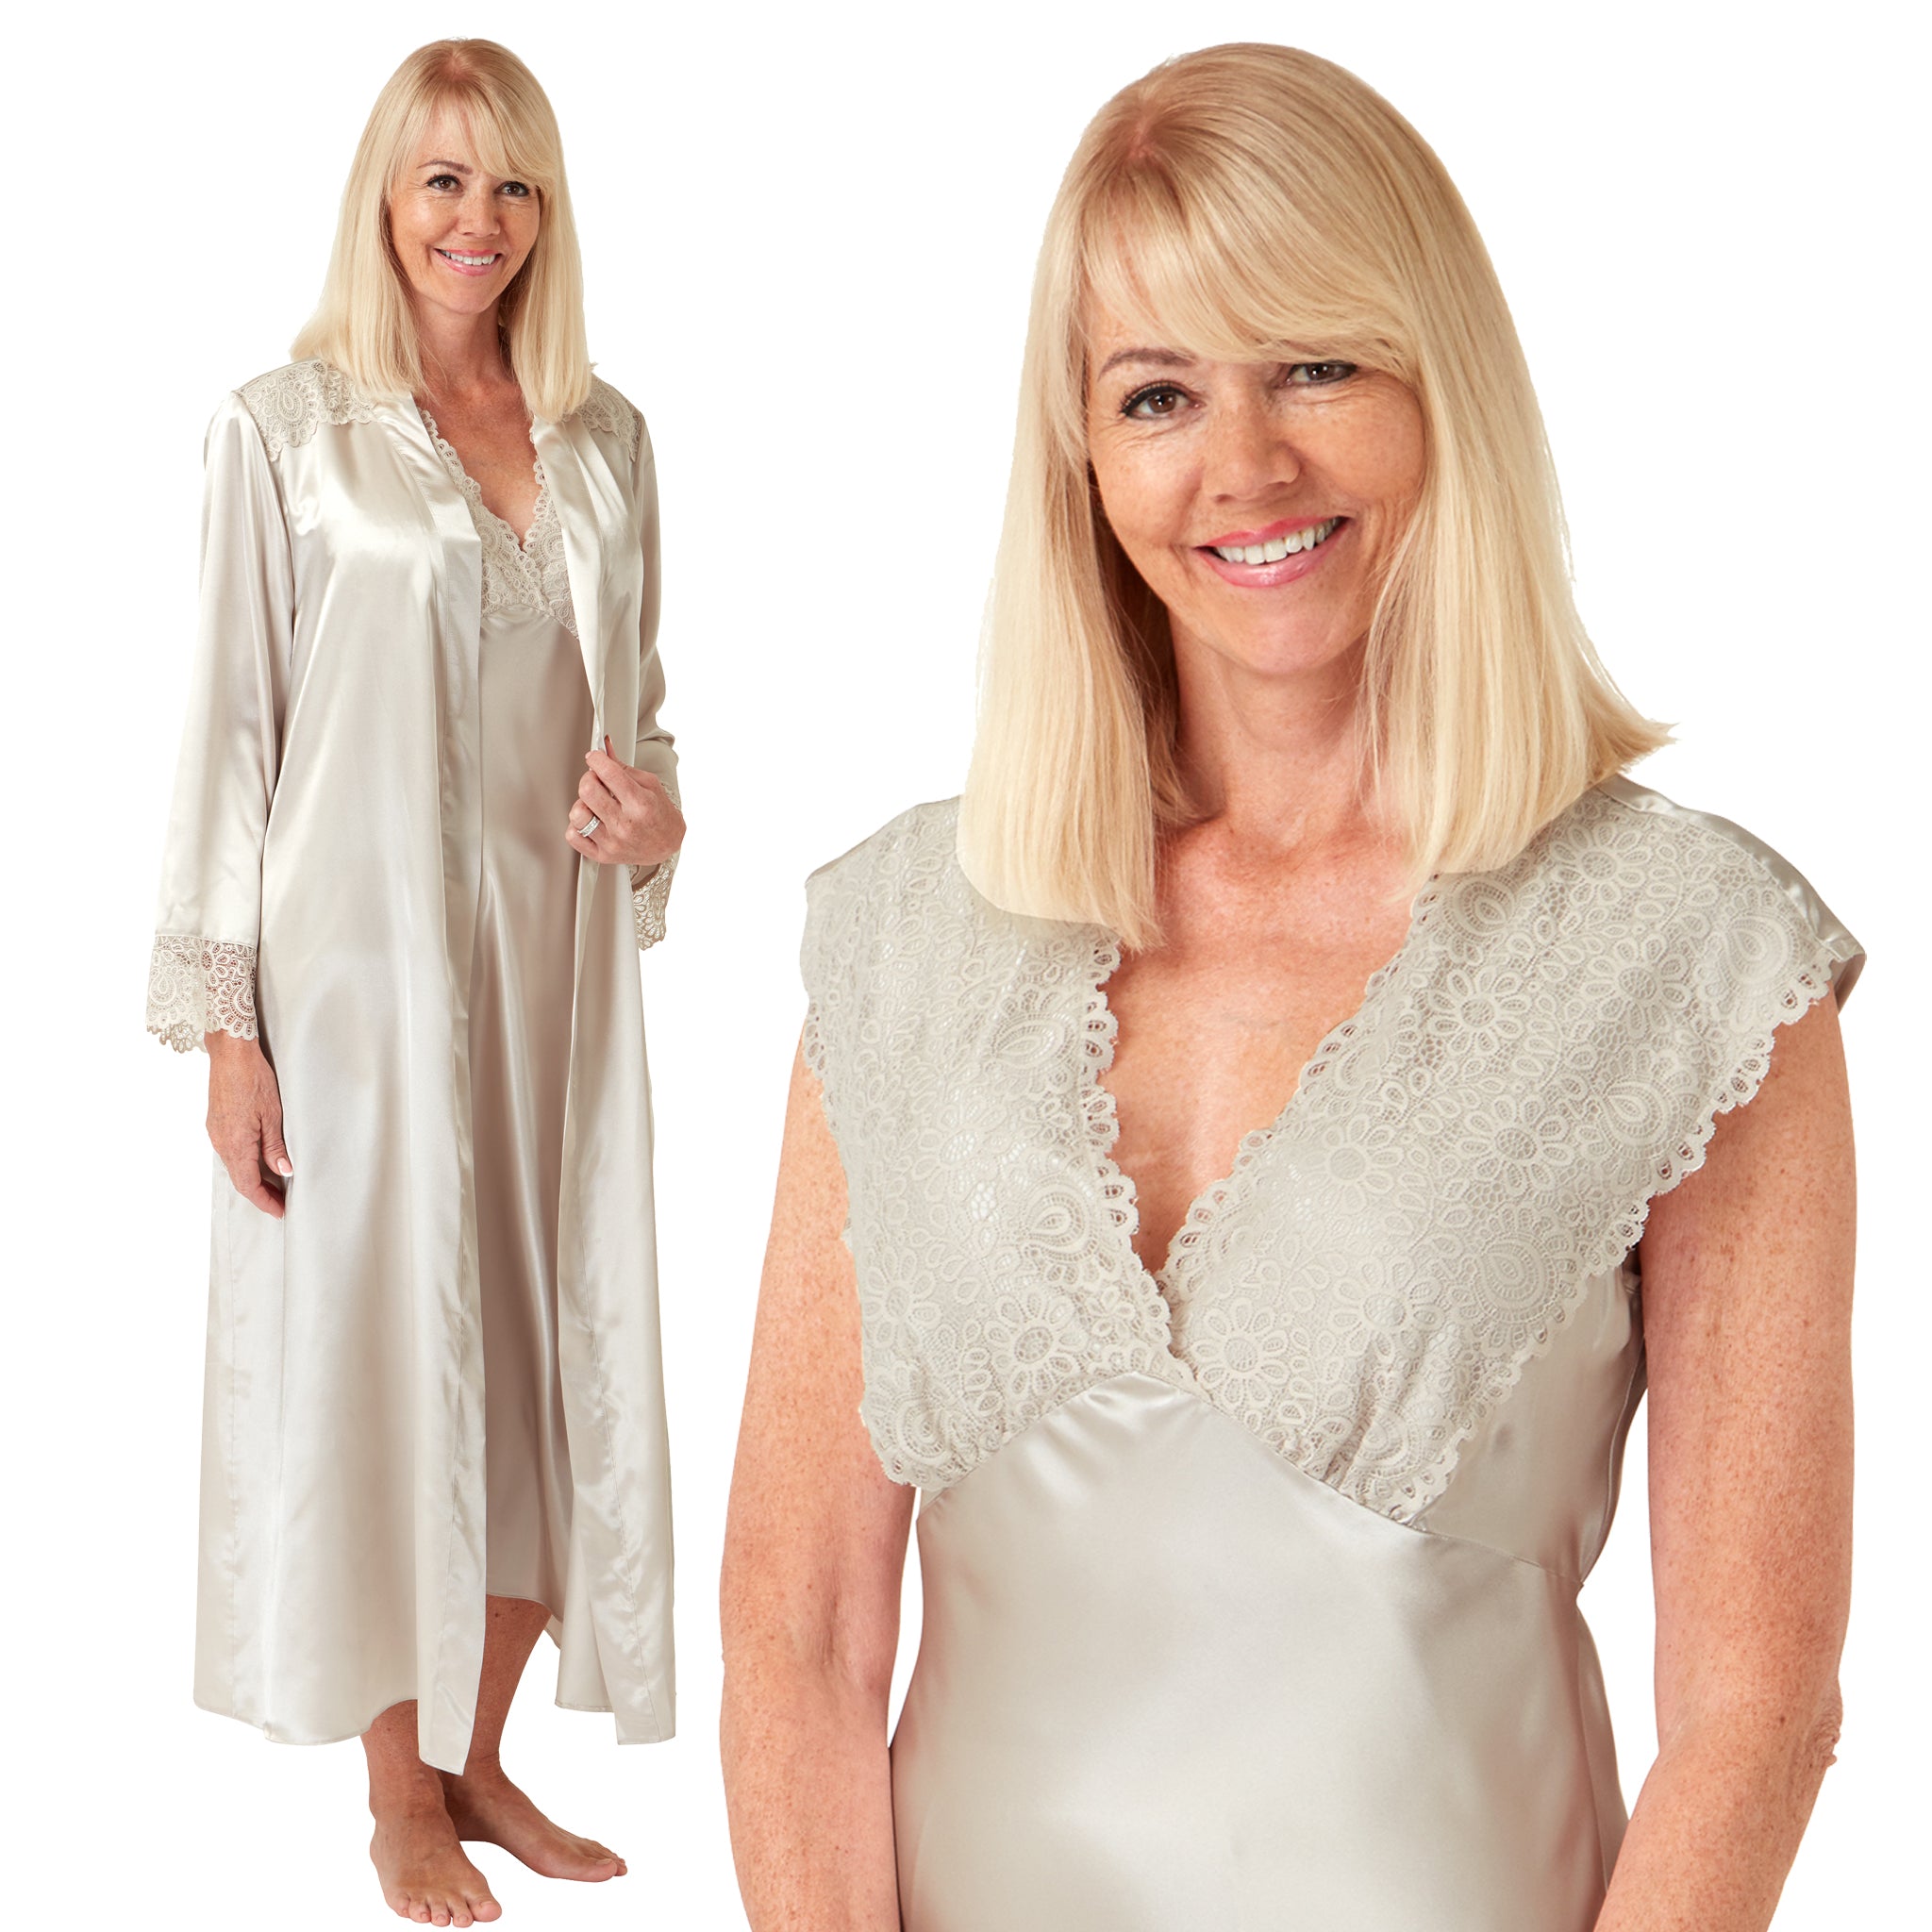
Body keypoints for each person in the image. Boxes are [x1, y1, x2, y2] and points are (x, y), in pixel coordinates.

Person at [719, 42, 1862, 1932]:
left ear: (1442, 384)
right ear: (1085, 455)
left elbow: (1754, 1711)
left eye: (1316, 366)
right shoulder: (910, 933)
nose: (1244, 466)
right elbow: (799, 1625)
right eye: (1158, 393)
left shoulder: (1691, 952)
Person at [146, 39, 683, 1929]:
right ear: (385, 196)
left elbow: (638, 713)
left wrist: (656, 816)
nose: (481, 218)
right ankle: (397, 1795)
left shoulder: (605, 438)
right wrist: (230, 1032)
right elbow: (229, 738)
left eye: (515, 183)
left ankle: (477, 1757)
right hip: (358, 991)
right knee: (383, 1355)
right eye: (445, 178)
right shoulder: (283, 432)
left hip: (552, 989)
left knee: (545, 1352)